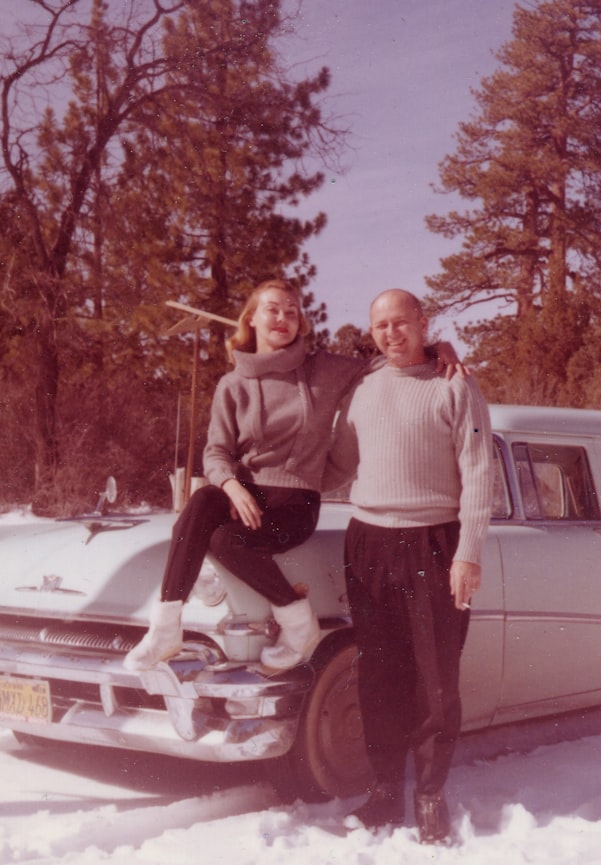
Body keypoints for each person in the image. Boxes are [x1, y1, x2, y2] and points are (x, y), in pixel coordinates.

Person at [124, 279, 461, 674]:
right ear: (252, 318)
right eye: (273, 309)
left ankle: (297, 621)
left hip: (294, 504)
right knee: (202, 503)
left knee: (223, 541)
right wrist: (231, 486)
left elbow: (385, 357)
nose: (283, 317)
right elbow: (216, 452)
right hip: (246, 496)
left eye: (291, 310)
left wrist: (438, 348)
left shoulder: (322, 369)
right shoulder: (232, 384)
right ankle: (166, 626)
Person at [327, 289, 494, 845]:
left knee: (435, 680)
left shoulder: (456, 385)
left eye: (402, 323)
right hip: (368, 542)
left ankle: (429, 797)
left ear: (424, 324)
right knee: (377, 676)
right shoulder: (363, 388)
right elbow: (337, 466)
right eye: (381, 325)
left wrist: (468, 552)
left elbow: (478, 472)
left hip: (435, 545)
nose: (391, 333)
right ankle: (382, 792)